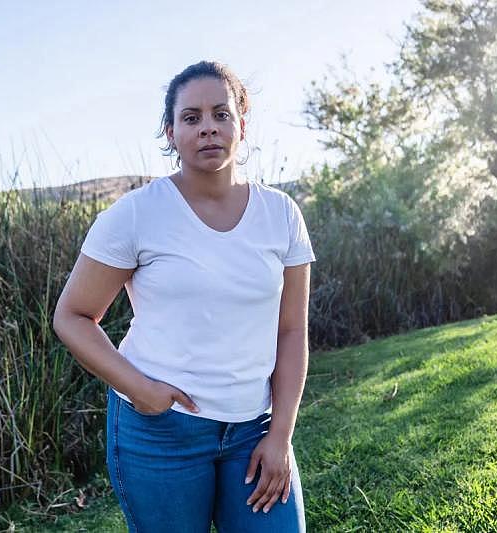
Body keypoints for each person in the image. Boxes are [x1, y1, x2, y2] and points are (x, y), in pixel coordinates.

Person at [52, 60, 315, 532]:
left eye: (221, 114)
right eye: (191, 118)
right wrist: (141, 391)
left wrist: (280, 435)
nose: (208, 128)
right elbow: (72, 316)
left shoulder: (282, 213)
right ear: (170, 132)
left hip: (254, 427)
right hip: (160, 433)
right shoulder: (136, 215)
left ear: (241, 122)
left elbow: (292, 329)